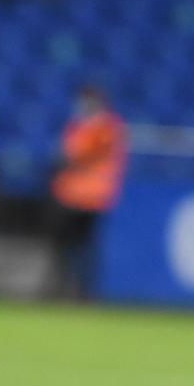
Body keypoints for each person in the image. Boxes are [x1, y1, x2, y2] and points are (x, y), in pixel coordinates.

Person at [48, 86, 128, 300]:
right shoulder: (78, 125)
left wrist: (68, 156)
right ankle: (61, 288)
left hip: (92, 197)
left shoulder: (106, 127)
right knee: (64, 245)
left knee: (85, 246)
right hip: (70, 194)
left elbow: (78, 154)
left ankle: (84, 291)